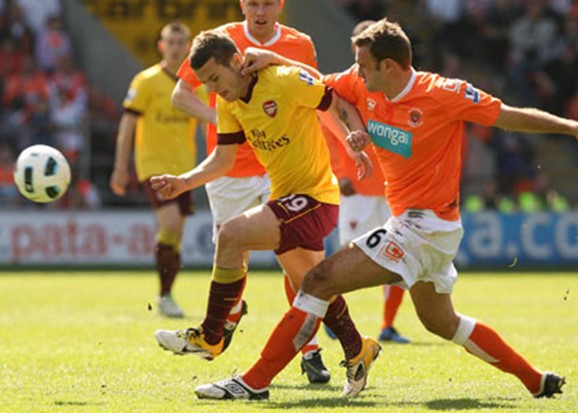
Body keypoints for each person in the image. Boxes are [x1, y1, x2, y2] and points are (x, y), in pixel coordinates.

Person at [194, 19, 578, 400]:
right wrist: (273, 57)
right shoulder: (364, 86)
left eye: (363, 65)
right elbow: (321, 85)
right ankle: (536, 381)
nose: (356, 72)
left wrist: (571, 127)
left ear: (389, 66)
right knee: (443, 323)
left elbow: (508, 116)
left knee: (318, 280)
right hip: (416, 227)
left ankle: (253, 383)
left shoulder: (441, 93)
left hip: (425, 227)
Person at [150, 30, 378, 400]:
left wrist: (355, 135)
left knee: (232, 235)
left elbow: (333, 98)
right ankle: (358, 349)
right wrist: (183, 182)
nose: (214, 89)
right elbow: (223, 159)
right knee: (312, 288)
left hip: (317, 198)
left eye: (216, 79)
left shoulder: (284, 82)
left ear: (237, 62)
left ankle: (212, 335)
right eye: (206, 84)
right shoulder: (229, 103)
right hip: (288, 199)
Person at [170, 0, 331, 383]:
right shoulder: (221, 40)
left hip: (282, 168)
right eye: (252, 2)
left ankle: (311, 351)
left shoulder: (299, 43)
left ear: (280, 5)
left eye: (267, 2)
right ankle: (226, 319)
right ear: (243, 4)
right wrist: (226, 118)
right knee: (231, 251)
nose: (260, 10)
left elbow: (319, 90)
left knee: (297, 261)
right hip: (229, 168)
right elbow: (180, 94)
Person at [109, 22, 206, 318]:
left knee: (175, 235)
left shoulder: (195, 85)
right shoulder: (146, 80)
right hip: (152, 166)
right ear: (161, 46)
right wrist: (120, 167)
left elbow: (208, 125)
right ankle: (165, 295)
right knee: (171, 224)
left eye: (181, 42)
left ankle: (166, 293)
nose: (176, 47)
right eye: (171, 42)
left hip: (184, 170)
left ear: (189, 47)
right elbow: (127, 124)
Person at [326, 19, 410, 344]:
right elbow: (329, 133)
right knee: (350, 254)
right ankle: (331, 315)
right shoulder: (347, 84)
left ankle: (388, 325)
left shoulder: (390, 82)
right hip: (357, 185)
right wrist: (341, 173)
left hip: (392, 187)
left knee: (398, 253)